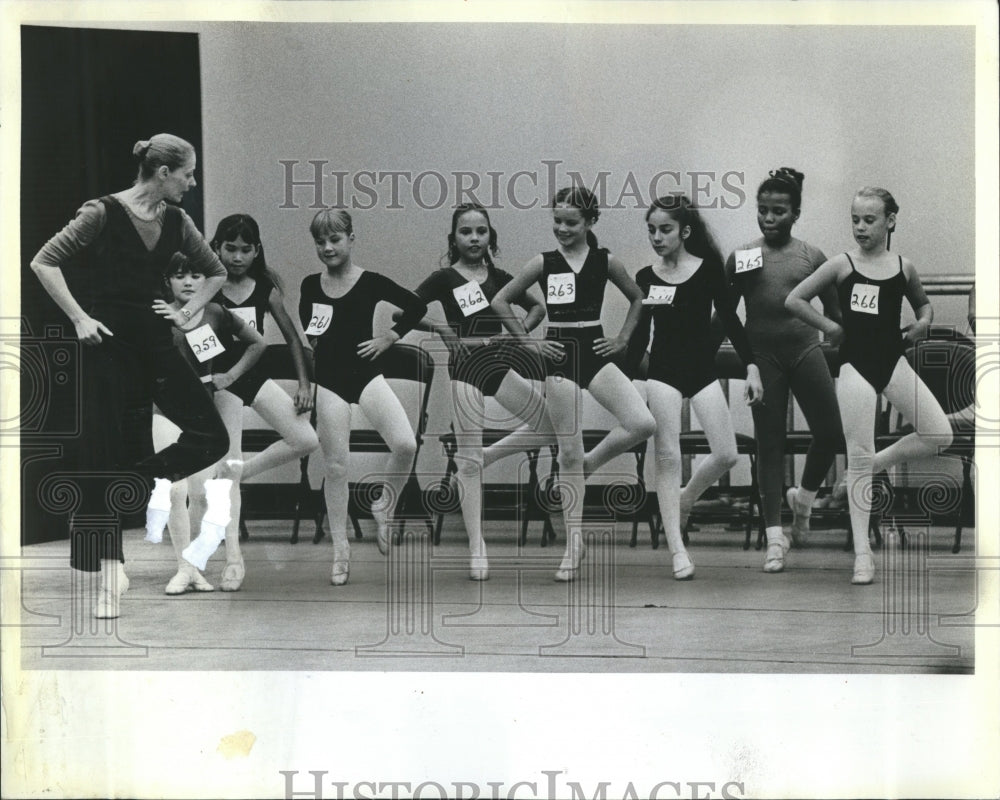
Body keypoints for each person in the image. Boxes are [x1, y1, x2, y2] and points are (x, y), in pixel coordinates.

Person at [30, 133, 230, 618]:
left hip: (156, 347)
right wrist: (79, 317)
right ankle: (107, 579)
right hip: (109, 350)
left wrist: (189, 311)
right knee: (108, 450)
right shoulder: (101, 212)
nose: (193, 181)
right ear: (163, 173)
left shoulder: (178, 221)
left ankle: (127, 484)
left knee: (211, 437)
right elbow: (43, 261)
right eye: (188, 173)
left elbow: (216, 272)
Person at [785, 186, 952, 584]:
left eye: (869, 219)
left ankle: (873, 464)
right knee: (858, 453)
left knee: (939, 433)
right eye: (855, 219)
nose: (860, 227)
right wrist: (829, 327)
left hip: (892, 363)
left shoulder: (903, 267)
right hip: (855, 367)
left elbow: (923, 305)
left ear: (890, 221)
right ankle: (863, 553)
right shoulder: (842, 265)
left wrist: (924, 322)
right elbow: (794, 299)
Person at [492, 186, 656, 582]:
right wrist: (528, 341)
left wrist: (621, 339)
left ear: (590, 222)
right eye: (557, 222)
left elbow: (639, 298)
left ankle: (590, 464)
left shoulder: (605, 260)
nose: (562, 229)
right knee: (566, 452)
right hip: (560, 355)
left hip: (596, 349)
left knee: (642, 423)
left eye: (571, 222)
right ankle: (573, 542)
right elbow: (501, 301)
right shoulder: (543, 262)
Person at [407, 203, 553, 580]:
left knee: (549, 426)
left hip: (499, 367)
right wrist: (442, 329)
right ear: (453, 238)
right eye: (466, 231)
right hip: (465, 372)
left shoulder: (502, 277)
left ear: (491, 236)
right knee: (467, 459)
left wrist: (518, 331)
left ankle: (485, 458)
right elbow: (402, 311)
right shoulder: (444, 278)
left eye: (481, 231)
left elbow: (538, 308)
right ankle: (477, 546)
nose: (474, 238)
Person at [627, 195, 763, 580]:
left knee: (726, 453)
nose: (657, 236)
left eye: (665, 229)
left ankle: (684, 498)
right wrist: (625, 380)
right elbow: (639, 338)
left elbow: (732, 322)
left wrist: (751, 366)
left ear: (684, 232)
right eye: (651, 229)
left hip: (701, 370)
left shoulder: (707, 270)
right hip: (663, 371)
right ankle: (677, 549)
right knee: (667, 457)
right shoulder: (646, 277)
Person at [720, 167, 844, 573]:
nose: (769, 219)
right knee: (768, 444)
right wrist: (741, 359)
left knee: (829, 433)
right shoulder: (742, 257)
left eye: (778, 212)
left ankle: (803, 501)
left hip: (805, 350)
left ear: (795, 214)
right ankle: (775, 539)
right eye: (762, 211)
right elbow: (725, 313)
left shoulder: (812, 256)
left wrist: (837, 342)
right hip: (764, 358)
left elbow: (836, 313)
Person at [299, 208, 428, 585]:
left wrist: (389, 337)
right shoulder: (310, 284)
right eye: (320, 242)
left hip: (366, 374)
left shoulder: (370, 281)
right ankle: (341, 550)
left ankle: (384, 502)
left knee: (405, 444)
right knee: (336, 467)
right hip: (331, 381)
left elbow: (416, 305)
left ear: (351, 239)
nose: (327, 247)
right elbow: (312, 333)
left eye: (335, 239)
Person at [205, 213, 320, 590]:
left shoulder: (265, 288)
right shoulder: (209, 287)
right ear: (216, 248)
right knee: (230, 462)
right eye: (230, 248)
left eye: (245, 250)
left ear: (257, 251)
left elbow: (293, 338)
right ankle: (233, 559)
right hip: (219, 381)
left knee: (305, 439)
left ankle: (241, 471)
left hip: (250, 373)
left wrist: (304, 384)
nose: (237, 257)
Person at [153, 252, 265, 594]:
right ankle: (184, 568)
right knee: (175, 488)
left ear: (208, 281)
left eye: (196, 275)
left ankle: (195, 567)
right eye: (180, 275)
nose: (188, 282)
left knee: (201, 493)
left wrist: (229, 376)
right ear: (168, 280)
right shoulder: (157, 314)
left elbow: (257, 343)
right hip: (166, 409)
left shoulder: (216, 313)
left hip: (203, 412)